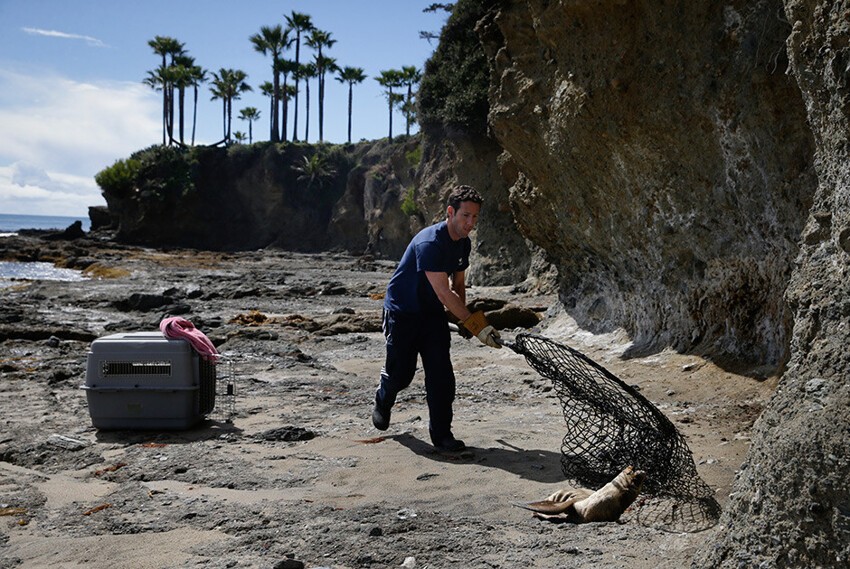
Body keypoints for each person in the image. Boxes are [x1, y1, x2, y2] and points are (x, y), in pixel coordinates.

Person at [372, 185, 502, 451]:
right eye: (466, 216)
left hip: (431, 315)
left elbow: (459, 284)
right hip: (402, 313)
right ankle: (383, 399)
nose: (470, 223)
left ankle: (442, 435)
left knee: (442, 376)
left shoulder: (464, 244)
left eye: (475, 217)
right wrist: (476, 325)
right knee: (401, 375)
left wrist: (464, 319)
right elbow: (443, 291)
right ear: (450, 212)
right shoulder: (430, 242)